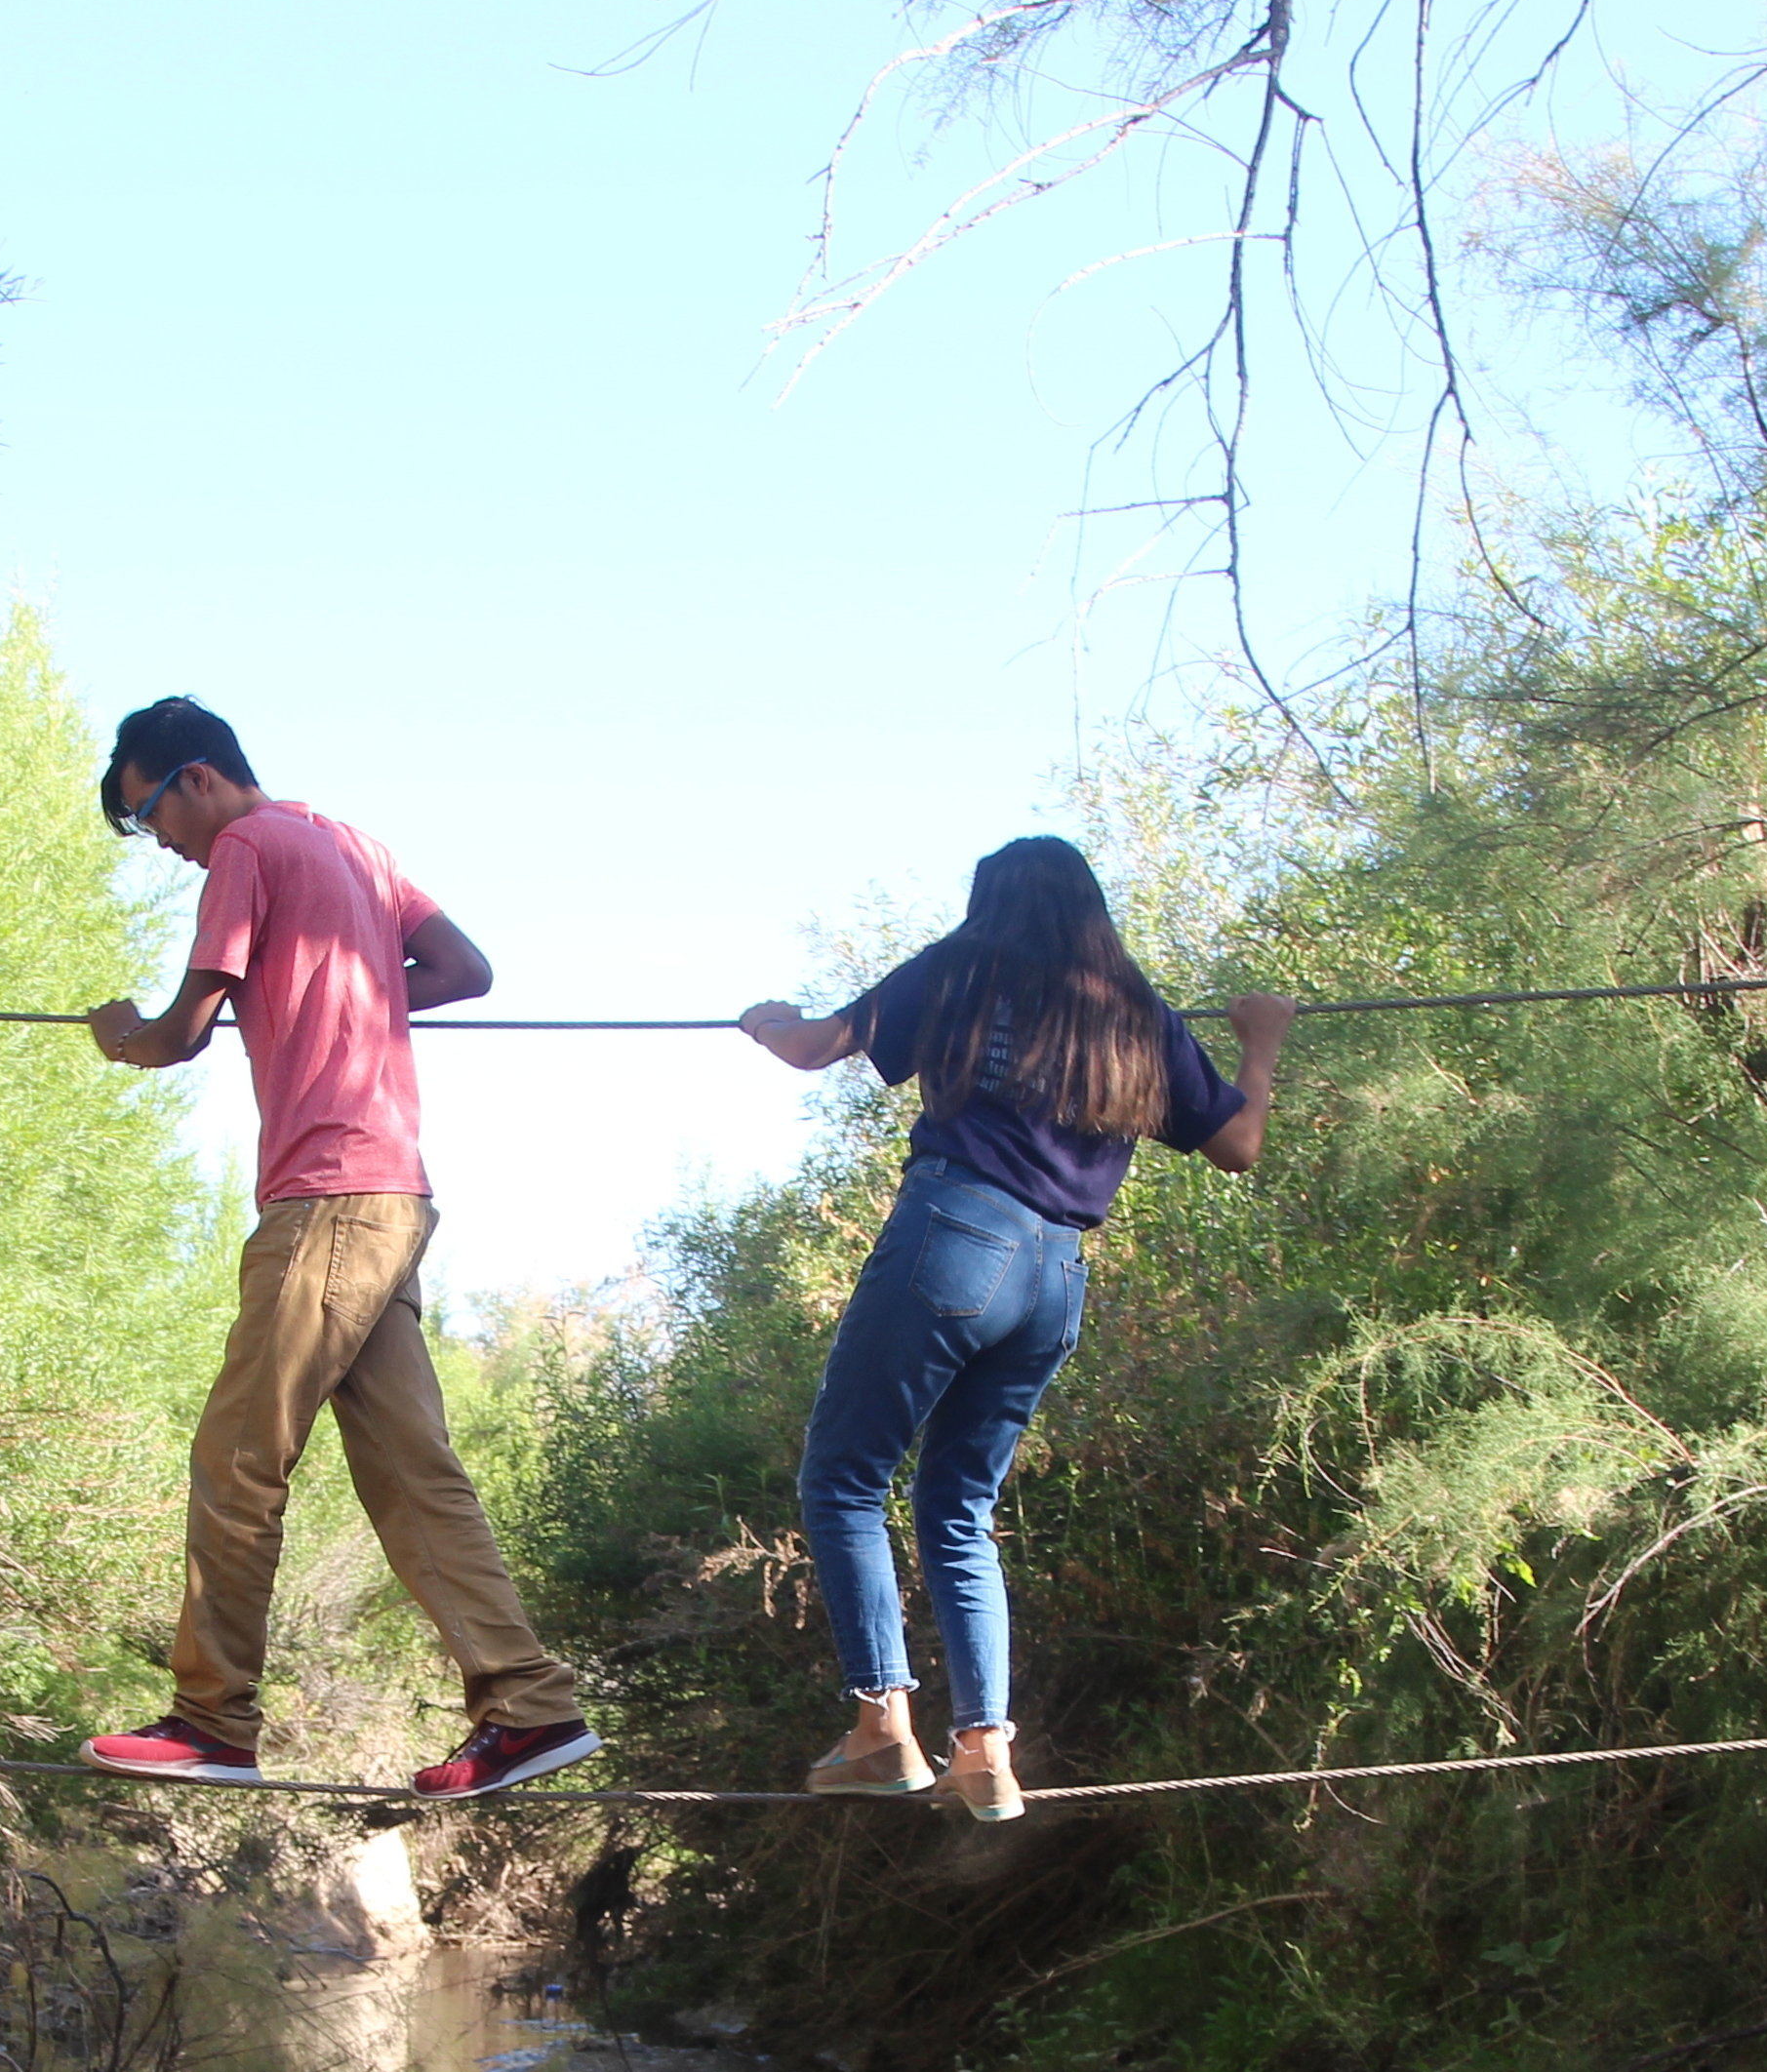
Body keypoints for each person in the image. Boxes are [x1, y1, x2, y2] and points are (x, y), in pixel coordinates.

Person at [74, 697, 601, 1797]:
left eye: (151, 812)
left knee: (238, 1455)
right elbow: (464, 968)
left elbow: (180, 1031)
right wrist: (346, 1010)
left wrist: (119, 1033)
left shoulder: (245, 845)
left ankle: (211, 1721)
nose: (162, 843)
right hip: (392, 1196)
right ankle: (530, 1707)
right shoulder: (352, 843)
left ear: (199, 777)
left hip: (323, 1202)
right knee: (414, 1474)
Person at [738, 837, 1290, 1821]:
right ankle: (985, 1752)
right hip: (1055, 1277)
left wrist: (768, 1020)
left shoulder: (964, 965)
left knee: (844, 1477)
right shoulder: (1138, 1019)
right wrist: (1260, 1040)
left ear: (988, 904)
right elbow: (1237, 1144)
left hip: (958, 1235)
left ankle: (881, 1729)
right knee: (956, 1502)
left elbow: (818, 1044)